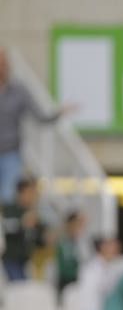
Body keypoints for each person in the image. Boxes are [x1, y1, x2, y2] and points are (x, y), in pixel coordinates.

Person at [0, 48, 71, 203]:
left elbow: (39, 116)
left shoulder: (18, 91)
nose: (2, 67)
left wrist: (57, 114)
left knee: (7, 197)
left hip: (10, 152)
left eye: (4, 63)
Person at [2, 177, 48, 281]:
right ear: (21, 192)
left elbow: (38, 239)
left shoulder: (32, 213)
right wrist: (21, 223)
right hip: (11, 259)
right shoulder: (10, 209)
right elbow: (5, 228)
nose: (32, 196)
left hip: (27, 261)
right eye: (29, 192)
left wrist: (45, 238)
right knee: (18, 289)